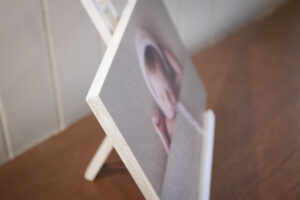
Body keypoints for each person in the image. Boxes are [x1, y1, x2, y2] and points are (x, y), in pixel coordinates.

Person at [144, 44, 182, 153]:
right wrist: (161, 132)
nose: (168, 100)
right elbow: (172, 153)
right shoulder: (168, 122)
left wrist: (164, 52)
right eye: (161, 97)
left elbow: (179, 72)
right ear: (156, 100)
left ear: (171, 82)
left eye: (168, 90)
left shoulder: (178, 90)